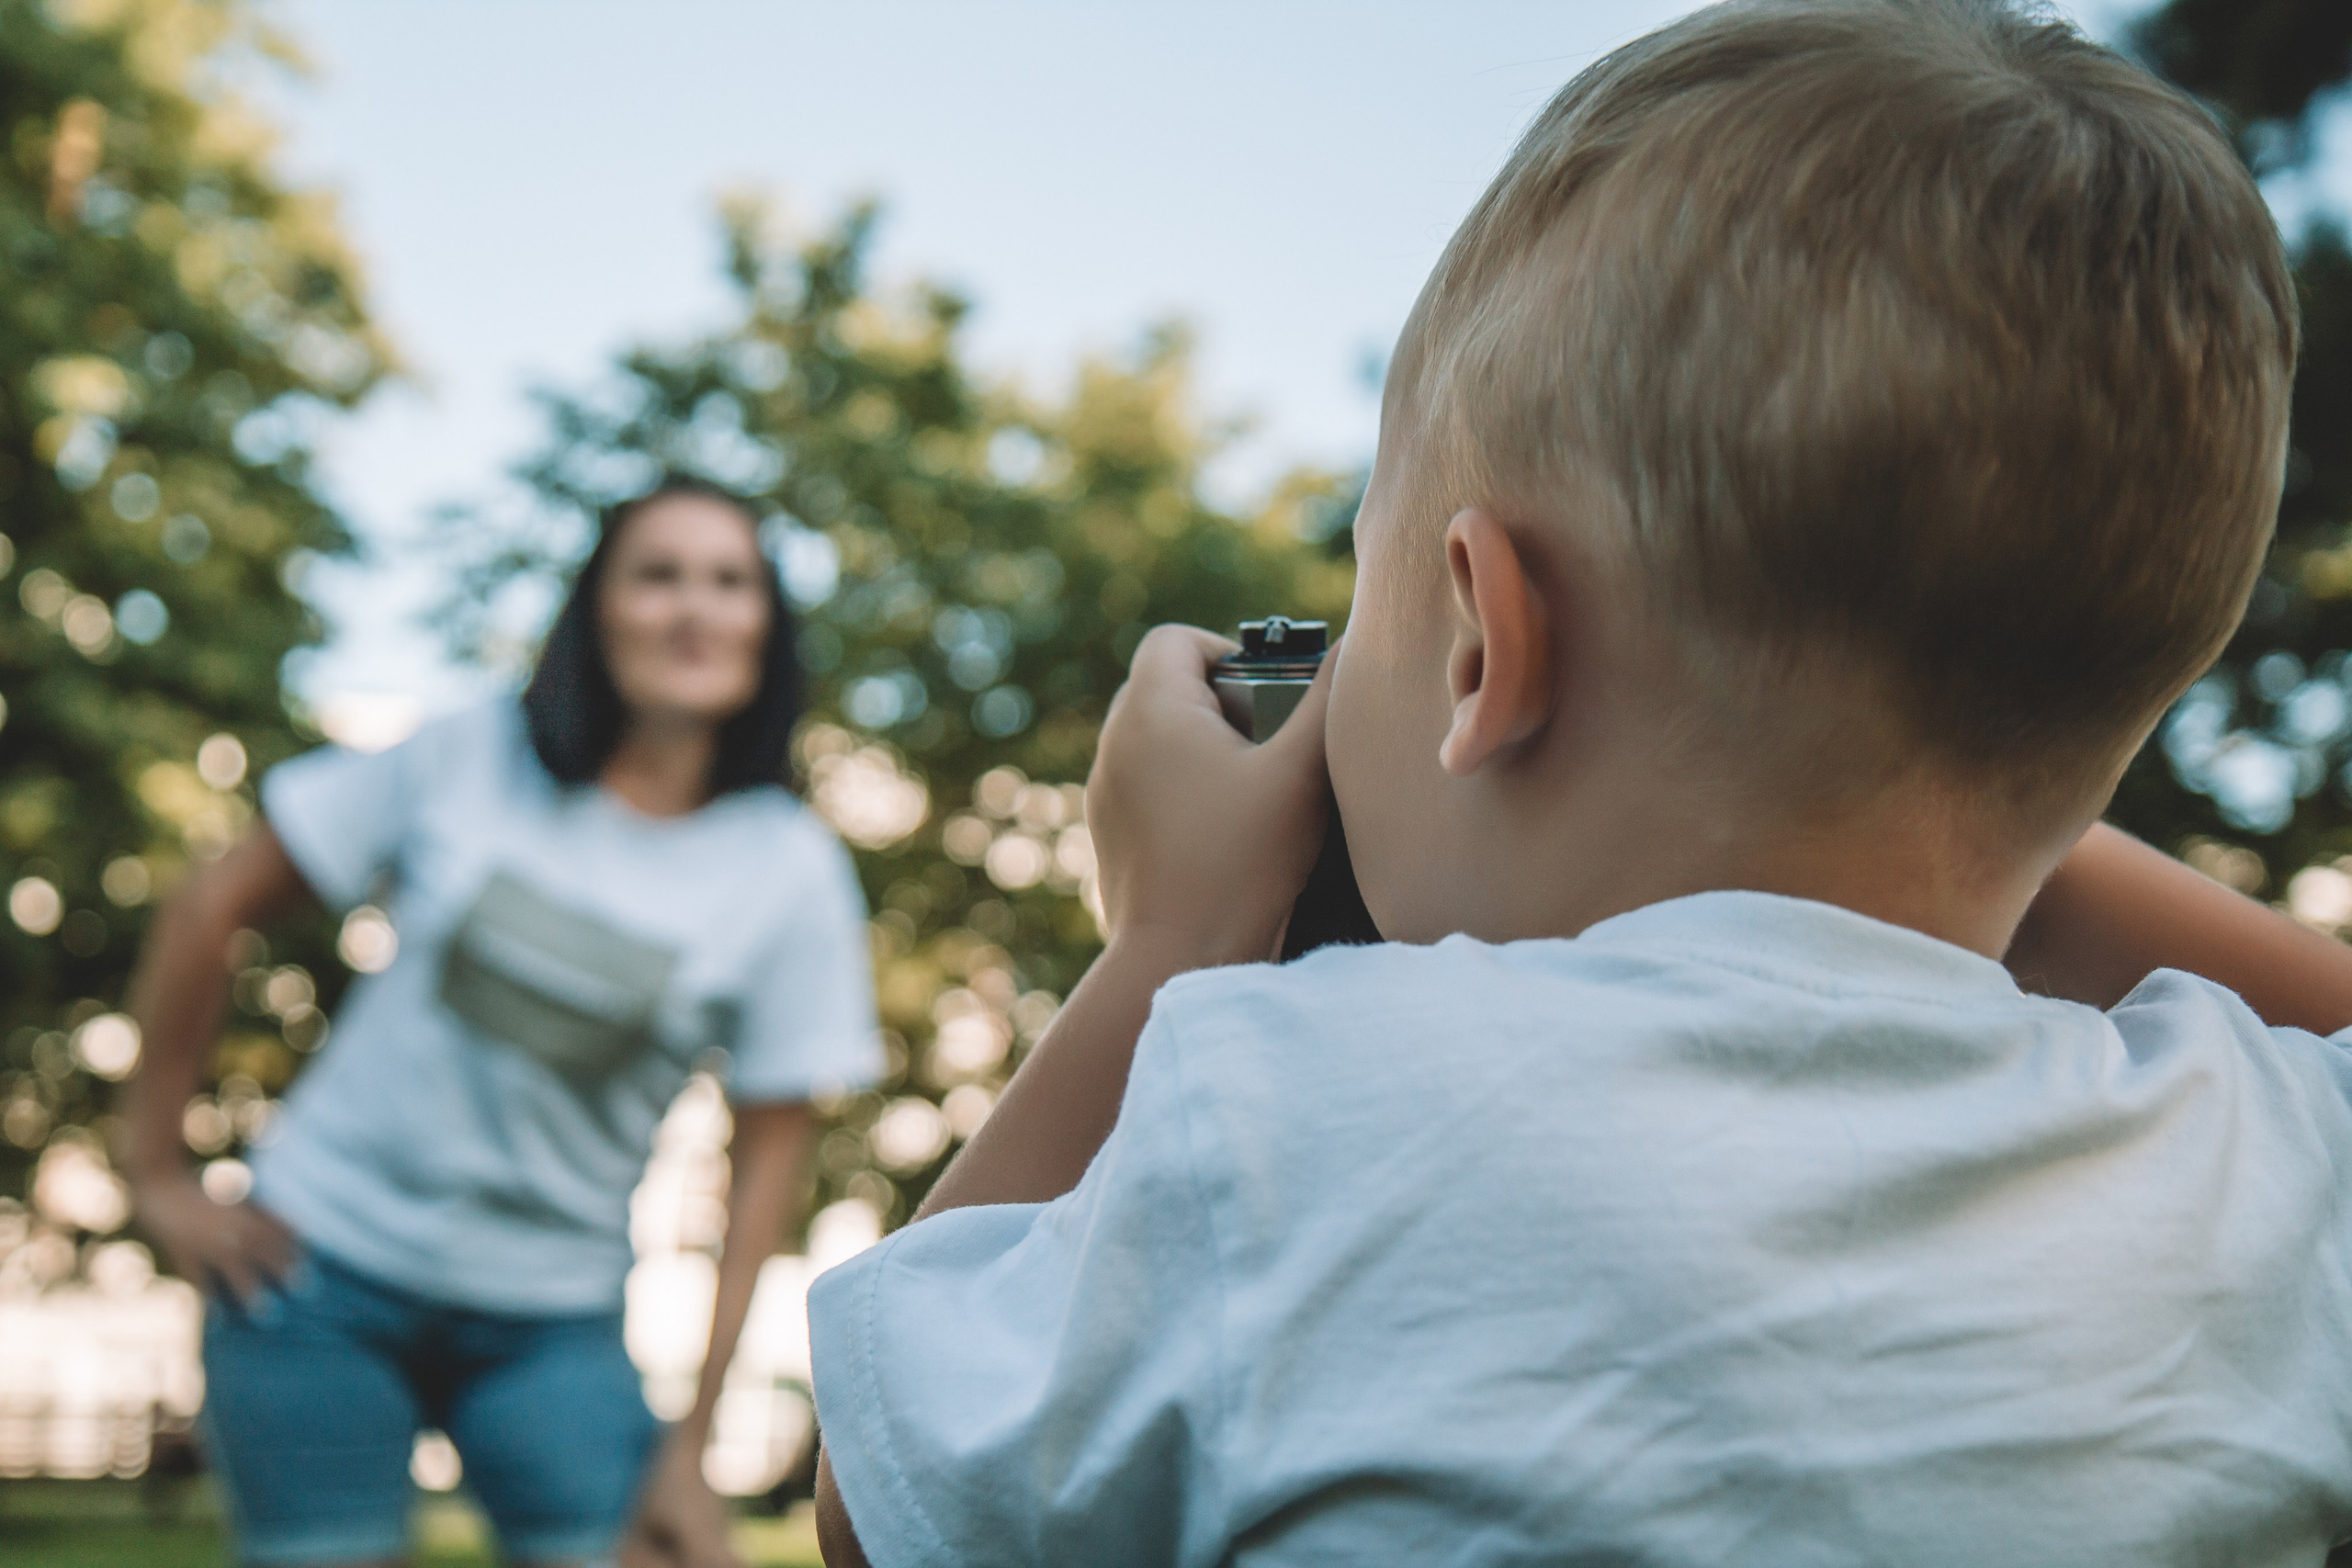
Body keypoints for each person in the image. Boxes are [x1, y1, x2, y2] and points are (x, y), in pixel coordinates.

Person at [804, 1, 2352, 1562]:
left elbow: (885, 1513)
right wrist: (1964, 778)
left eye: (1368, 594)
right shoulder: (2265, 1163)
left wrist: (1166, 944)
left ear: (1485, 641)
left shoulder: (1289, 1110)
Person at [122, 478, 882, 1568]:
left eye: (729, 580)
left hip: (552, 1322)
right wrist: (151, 1171)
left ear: (766, 623)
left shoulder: (789, 871)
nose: (692, 608)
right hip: (314, 1277)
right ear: (598, 608)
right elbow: (208, 908)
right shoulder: (472, 752)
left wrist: (690, 1447)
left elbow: (765, 1173)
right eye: (657, 574)